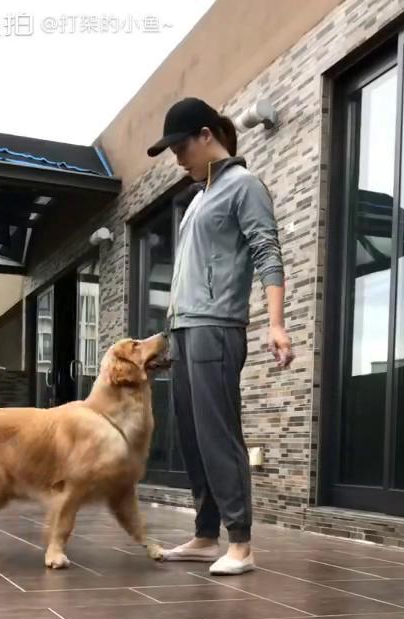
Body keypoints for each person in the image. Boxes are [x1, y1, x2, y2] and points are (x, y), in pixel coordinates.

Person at [147, 97, 293, 575]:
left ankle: (241, 544)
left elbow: (267, 252)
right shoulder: (198, 198)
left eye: (180, 148)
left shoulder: (243, 186)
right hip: (185, 329)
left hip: (217, 326)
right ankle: (206, 535)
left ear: (206, 136)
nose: (177, 159)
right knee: (191, 436)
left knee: (218, 433)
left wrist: (276, 323)